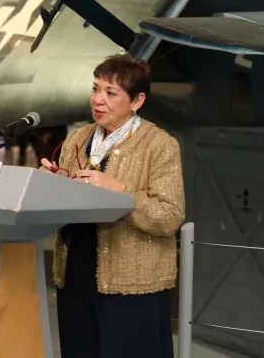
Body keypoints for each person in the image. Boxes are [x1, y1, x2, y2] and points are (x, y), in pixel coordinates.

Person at [40, 53, 185, 358]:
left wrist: (121, 192)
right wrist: (49, 185)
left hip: (132, 286)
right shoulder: (77, 139)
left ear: (137, 101)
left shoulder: (159, 145)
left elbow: (170, 216)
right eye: (95, 89)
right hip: (75, 277)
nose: (98, 100)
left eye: (110, 93)